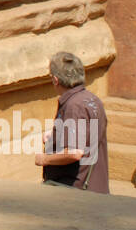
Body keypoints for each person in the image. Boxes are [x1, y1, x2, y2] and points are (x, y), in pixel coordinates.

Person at [35, 51, 109, 193]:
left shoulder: (74, 105)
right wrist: (56, 134)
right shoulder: (92, 100)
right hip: (95, 187)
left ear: (56, 80)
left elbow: (74, 153)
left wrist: (44, 159)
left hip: (76, 192)